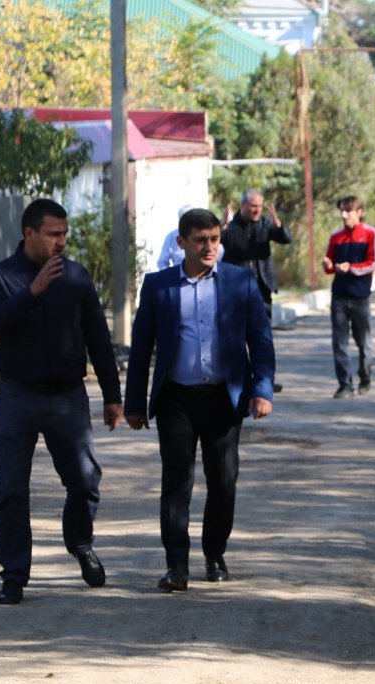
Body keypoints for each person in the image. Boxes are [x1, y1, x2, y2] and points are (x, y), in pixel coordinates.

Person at [0, 198, 123, 605]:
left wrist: (113, 396)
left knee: (85, 479)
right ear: (30, 234)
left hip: (67, 398)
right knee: (10, 490)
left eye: (65, 234)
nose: (61, 242)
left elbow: (98, 337)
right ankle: (14, 576)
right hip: (17, 397)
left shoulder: (76, 277)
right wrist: (33, 291)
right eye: (53, 234)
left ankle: (79, 542)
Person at [125, 207, 275, 592]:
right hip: (176, 399)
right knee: (177, 483)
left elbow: (259, 339)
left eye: (214, 239)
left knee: (223, 482)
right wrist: (134, 403)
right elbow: (141, 348)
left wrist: (262, 390)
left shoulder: (240, 281)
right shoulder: (159, 286)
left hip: (224, 398)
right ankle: (176, 565)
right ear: (182, 243)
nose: (209, 247)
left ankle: (214, 553)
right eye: (200, 240)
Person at [222, 189, 290, 393]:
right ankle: (239, 381)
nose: (256, 210)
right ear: (242, 205)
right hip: (235, 289)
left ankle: (265, 380)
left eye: (259, 206)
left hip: (261, 288)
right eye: (253, 206)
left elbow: (285, 238)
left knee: (263, 337)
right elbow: (215, 240)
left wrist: (277, 223)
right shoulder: (230, 226)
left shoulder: (265, 224)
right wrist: (221, 225)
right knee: (235, 337)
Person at [323, 196, 375, 399]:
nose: (344, 215)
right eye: (342, 211)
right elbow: (329, 262)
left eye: (348, 211)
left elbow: (373, 263)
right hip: (339, 296)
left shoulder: (371, 234)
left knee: (363, 342)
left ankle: (365, 376)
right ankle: (344, 385)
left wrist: (351, 268)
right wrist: (328, 265)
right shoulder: (336, 236)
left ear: (360, 212)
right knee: (339, 342)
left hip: (360, 297)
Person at [156, 204, 192, 270]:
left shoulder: (201, 234)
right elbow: (162, 262)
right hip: (178, 276)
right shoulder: (171, 236)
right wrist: (169, 276)